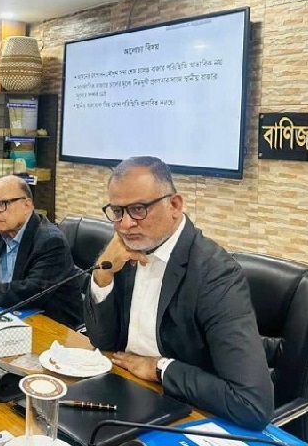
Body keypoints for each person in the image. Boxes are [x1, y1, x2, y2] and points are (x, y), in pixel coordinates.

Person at [83, 156, 273, 430]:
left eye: (138, 209)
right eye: (117, 211)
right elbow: (103, 340)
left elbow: (252, 404)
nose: (124, 225)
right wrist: (104, 273)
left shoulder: (215, 274)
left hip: (187, 409)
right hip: (124, 387)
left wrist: (161, 368)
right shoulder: (125, 251)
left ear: (174, 205)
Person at [0, 175, 82, 327]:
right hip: (10, 318)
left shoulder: (51, 242)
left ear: (27, 205)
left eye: (2, 204)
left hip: (52, 327)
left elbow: (26, 294)